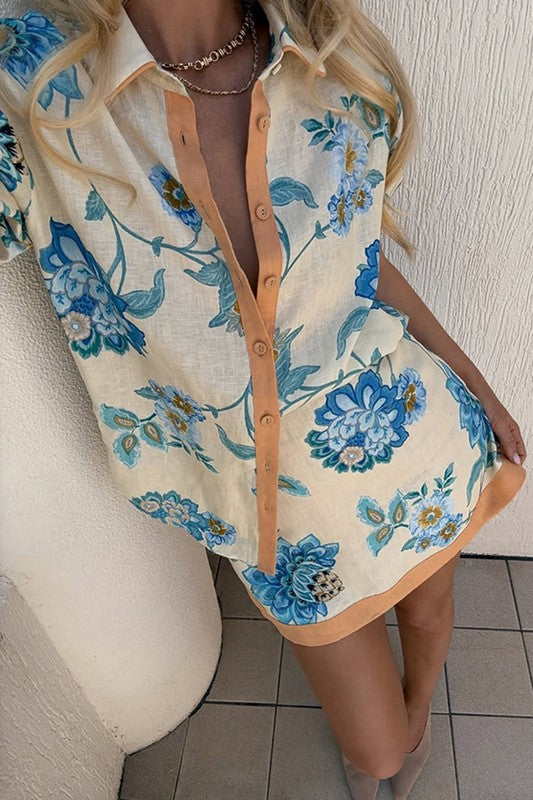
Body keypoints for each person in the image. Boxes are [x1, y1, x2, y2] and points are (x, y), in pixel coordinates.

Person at [0, 1, 527, 797]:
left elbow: (358, 258)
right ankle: (397, 739)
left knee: (427, 616)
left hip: (420, 447)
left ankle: (420, 706)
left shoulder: (335, 64)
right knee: (378, 754)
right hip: (285, 526)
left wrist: (479, 387)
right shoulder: (35, 77)